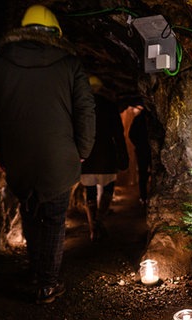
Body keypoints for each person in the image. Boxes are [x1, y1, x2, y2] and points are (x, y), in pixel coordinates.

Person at [0, 4, 95, 304]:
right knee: (54, 219)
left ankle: (36, 271)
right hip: (59, 157)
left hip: (18, 158)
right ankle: (47, 283)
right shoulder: (70, 64)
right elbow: (85, 110)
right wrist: (82, 150)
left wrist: (0, 156)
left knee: (31, 216)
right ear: (55, 33)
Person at [80, 76, 128, 242]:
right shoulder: (109, 106)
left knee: (90, 191)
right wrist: (123, 156)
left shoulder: (80, 107)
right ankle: (99, 221)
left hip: (86, 156)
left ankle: (93, 228)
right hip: (106, 155)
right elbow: (118, 135)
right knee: (108, 189)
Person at [128, 105, 151, 204]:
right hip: (150, 150)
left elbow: (131, 134)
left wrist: (138, 144)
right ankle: (148, 195)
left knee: (143, 173)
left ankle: (143, 197)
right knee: (151, 172)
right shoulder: (152, 119)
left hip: (141, 149)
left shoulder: (138, 119)